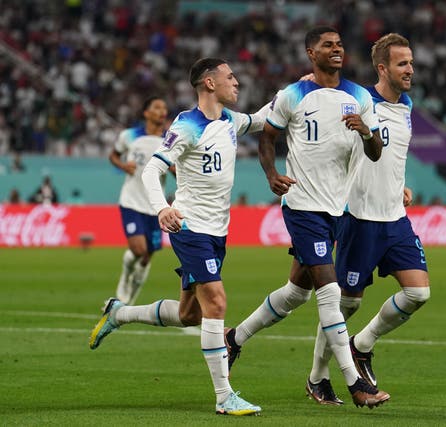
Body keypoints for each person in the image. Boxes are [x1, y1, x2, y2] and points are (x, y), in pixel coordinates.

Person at [89, 58, 267, 416]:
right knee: (216, 302)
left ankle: (119, 313)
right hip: (190, 227)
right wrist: (161, 209)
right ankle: (224, 396)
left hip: (218, 230)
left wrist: (299, 89)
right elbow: (151, 171)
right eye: (229, 76)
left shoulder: (231, 121)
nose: (236, 82)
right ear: (209, 83)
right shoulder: (186, 125)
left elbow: (263, 119)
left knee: (189, 314)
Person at [223, 26, 390, 409]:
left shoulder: (360, 97)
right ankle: (354, 383)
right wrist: (270, 175)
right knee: (330, 292)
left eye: (340, 44)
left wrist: (366, 132)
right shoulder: (293, 95)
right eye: (327, 45)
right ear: (310, 53)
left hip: (336, 208)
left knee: (297, 292)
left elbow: (377, 151)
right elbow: (267, 137)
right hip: (301, 205)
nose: (337, 49)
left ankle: (234, 339)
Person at [304, 33, 430, 404]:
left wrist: (401, 184)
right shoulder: (356, 101)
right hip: (358, 217)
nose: (410, 69)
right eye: (402, 63)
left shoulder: (406, 106)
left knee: (418, 292)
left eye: (411, 62)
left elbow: (392, 157)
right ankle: (317, 376)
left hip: (395, 217)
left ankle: (363, 343)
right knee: (345, 304)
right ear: (383, 68)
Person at [108, 96, 169, 305]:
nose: (162, 111)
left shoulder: (171, 139)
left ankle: (129, 300)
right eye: (157, 107)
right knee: (138, 249)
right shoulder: (129, 135)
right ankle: (125, 276)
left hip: (155, 205)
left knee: (147, 256)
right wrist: (123, 166)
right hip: (131, 201)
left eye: (164, 108)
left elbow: (178, 168)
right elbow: (114, 155)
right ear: (146, 113)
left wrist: (176, 170)